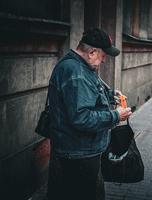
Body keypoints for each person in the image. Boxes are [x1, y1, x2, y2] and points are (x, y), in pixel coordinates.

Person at [47, 27, 132, 200]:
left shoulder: (77, 66)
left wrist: (109, 95)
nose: (104, 61)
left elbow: (79, 97)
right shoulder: (76, 72)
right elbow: (81, 118)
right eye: (102, 56)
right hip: (78, 153)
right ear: (92, 51)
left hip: (79, 149)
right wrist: (116, 116)